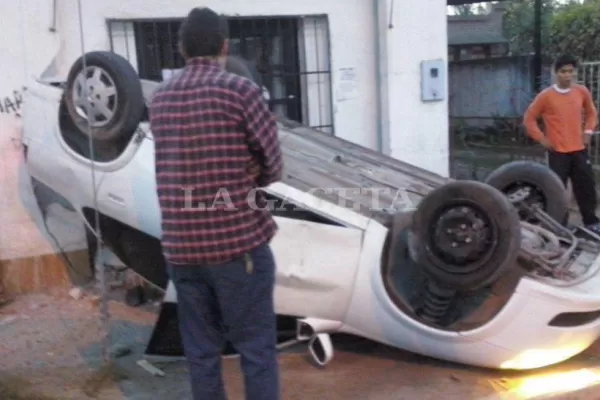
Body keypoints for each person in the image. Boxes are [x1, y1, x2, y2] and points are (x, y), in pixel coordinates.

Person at [148, 7, 283, 400]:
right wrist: (248, 170)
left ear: (181, 48)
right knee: (256, 350)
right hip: (236, 247)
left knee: (201, 353)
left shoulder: (159, 100)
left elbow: (176, 160)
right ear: (225, 46)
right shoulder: (241, 92)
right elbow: (273, 164)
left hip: (182, 249)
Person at [524, 54, 600, 233]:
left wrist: (587, 132)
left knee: (586, 186)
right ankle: (559, 224)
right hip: (557, 151)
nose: (567, 75)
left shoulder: (581, 91)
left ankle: (591, 222)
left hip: (579, 149)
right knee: (557, 189)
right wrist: (542, 139)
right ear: (556, 73)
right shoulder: (546, 96)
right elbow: (529, 119)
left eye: (571, 72)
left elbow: (591, 113)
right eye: (563, 71)